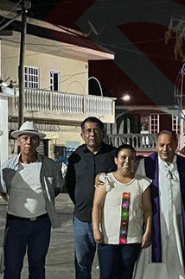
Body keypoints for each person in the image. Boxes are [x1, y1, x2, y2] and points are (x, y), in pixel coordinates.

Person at [0, 121, 64, 279]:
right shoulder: (8, 168)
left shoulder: (49, 165)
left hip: (41, 224)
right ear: (19, 141)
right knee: (12, 267)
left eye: (33, 138)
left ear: (38, 142)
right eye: (25, 138)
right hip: (15, 225)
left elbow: (56, 189)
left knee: (37, 267)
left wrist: (41, 201)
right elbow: (3, 191)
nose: (29, 142)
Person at [133, 130, 185, 279]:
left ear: (176, 145)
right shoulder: (147, 164)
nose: (165, 149)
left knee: (176, 253)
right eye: (161, 145)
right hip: (155, 219)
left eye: (169, 145)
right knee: (153, 257)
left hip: (178, 219)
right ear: (156, 145)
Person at [65, 117, 118, 279]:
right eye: (88, 130)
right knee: (82, 263)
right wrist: (82, 202)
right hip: (82, 219)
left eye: (96, 130)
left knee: (109, 265)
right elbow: (70, 184)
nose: (92, 134)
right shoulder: (76, 157)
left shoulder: (114, 154)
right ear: (82, 134)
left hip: (108, 220)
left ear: (103, 133)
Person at [93, 144, 153, 279]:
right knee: (107, 275)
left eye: (131, 158)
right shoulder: (106, 180)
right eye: (123, 157)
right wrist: (96, 229)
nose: (127, 161)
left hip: (132, 239)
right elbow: (97, 206)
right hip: (108, 239)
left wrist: (147, 232)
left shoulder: (142, 183)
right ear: (116, 160)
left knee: (126, 274)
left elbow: (148, 210)